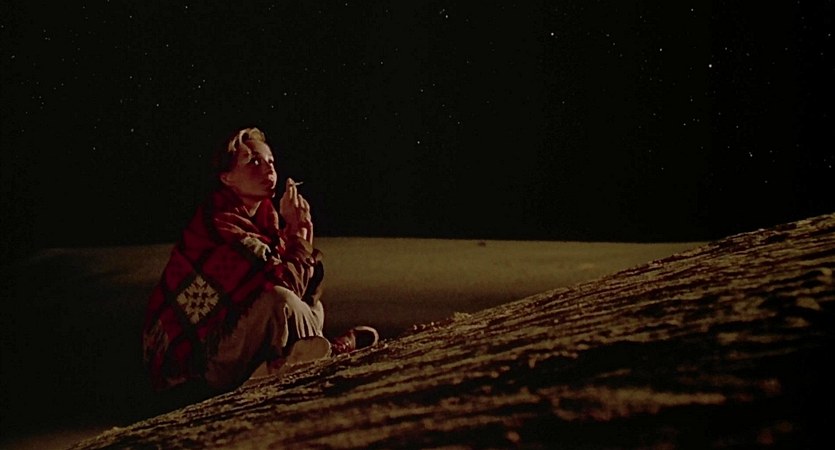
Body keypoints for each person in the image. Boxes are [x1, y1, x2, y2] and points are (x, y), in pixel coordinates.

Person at [142, 126, 378, 395]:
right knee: (279, 301)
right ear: (227, 178)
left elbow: (303, 290)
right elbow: (283, 287)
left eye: (271, 161)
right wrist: (298, 238)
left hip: (235, 347)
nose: (269, 168)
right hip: (194, 370)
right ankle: (323, 354)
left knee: (311, 305)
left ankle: (281, 363)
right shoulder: (219, 225)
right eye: (254, 162)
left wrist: (300, 238)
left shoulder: (266, 225)